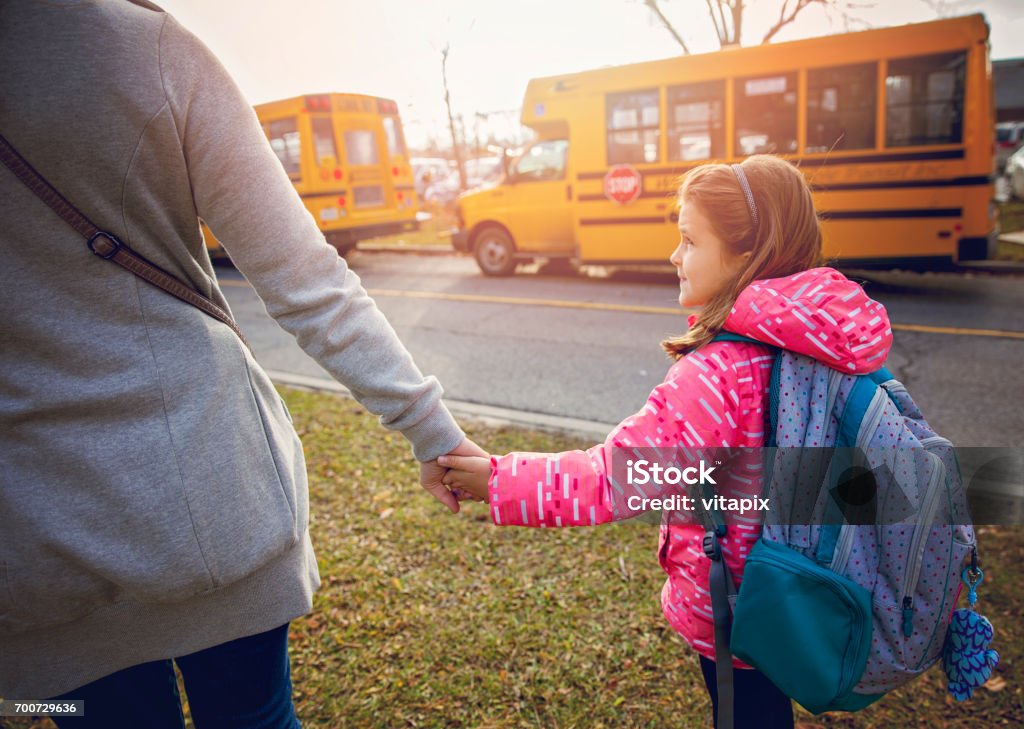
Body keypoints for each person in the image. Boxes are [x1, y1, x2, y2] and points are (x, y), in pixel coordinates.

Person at [0, 1, 483, 726]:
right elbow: (309, 283)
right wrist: (433, 433)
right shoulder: (147, 47)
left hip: (41, 534)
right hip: (214, 498)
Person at [440, 154, 895, 729]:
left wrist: (499, 480)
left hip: (739, 604)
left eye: (688, 239)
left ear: (746, 251)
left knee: (745, 716)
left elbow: (613, 478)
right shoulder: (831, 340)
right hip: (814, 582)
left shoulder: (718, 374)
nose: (674, 256)